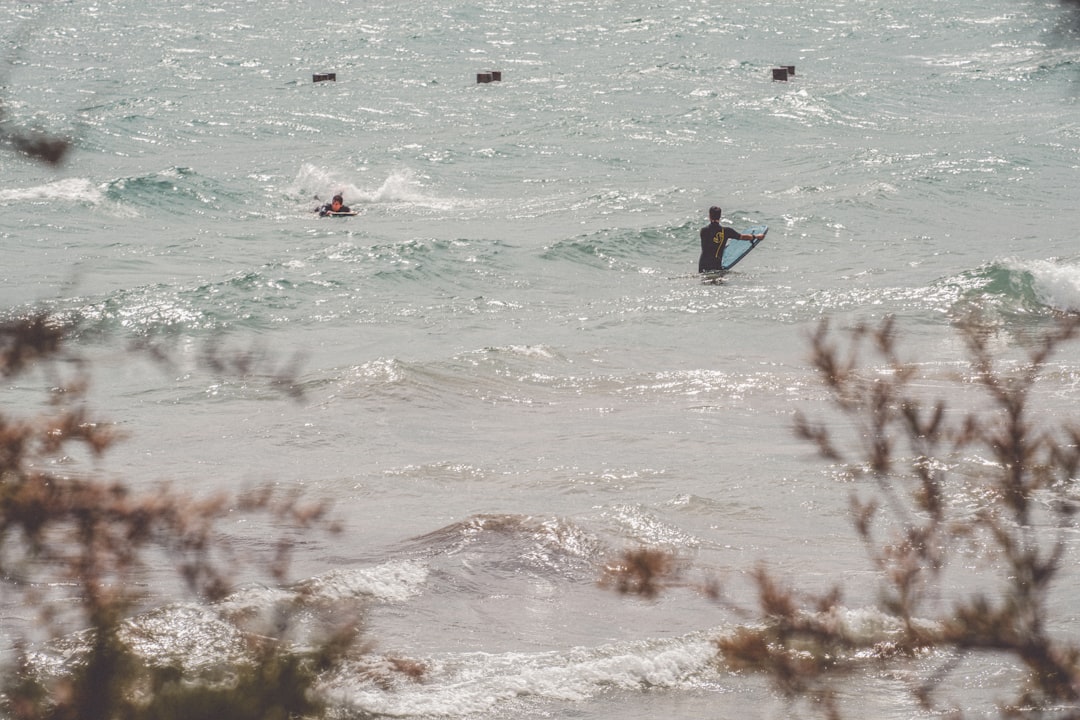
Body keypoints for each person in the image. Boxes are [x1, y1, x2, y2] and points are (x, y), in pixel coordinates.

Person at [698, 206, 765, 274]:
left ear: (709, 216)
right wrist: (756, 236)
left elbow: (711, 245)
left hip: (702, 266)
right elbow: (741, 237)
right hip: (716, 265)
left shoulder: (703, 231)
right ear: (720, 217)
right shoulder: (726, 231)